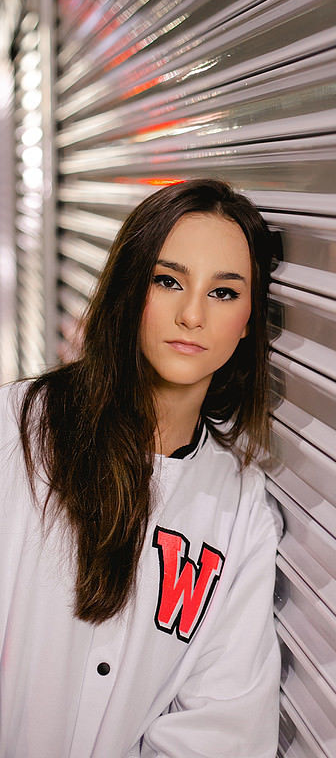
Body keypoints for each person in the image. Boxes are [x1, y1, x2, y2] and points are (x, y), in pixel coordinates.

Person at [0, 178, 282, 758]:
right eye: (168, 280)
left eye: (224, 292)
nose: (192, 314)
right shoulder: (18, 429)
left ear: (249, 319)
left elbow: (223, 725)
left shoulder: (240, 507)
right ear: (131, 288)